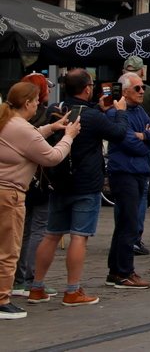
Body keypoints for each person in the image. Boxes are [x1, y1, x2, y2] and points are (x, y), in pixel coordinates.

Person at [30, 68, 128, 306]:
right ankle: (72, 290)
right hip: (85, 183)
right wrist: (120, 112)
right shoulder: (92, 117)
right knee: (79, 237)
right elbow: (119, 134)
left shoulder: (55, 109)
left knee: (52, 235)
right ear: (87, 89)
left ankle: (36, 287)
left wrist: (99, 110)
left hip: (58, 181)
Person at [0, 81, 79, 319]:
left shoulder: (7, 121)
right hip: (10, 193)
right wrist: (69, 136)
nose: (38, 105)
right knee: (9, 250)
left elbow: (27, 139)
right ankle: (2, 298)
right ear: (27, 103)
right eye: (36, 102)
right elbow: (51, 157)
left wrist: (50, 127)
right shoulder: (20, 127)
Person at [105, 72, 150, 289]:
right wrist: (145, 138)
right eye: (137, 88)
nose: (142, 92)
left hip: (139, 171)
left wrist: (145, 136)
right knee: (128, 224)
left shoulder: (140, 111)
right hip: (124, 172)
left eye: (143, 88)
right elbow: (129, 142)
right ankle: (124, 272)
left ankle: (116, 271)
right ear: (125, 91)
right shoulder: (116, 114)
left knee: (126, 223)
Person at [11, 73, 51, 300]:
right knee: (36, 228)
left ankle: (19, 278)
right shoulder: (35, 118)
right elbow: (50, 154)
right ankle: (29, 279)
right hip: (33, 181)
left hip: (22, 183)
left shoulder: (11, 121)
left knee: (22, 232)